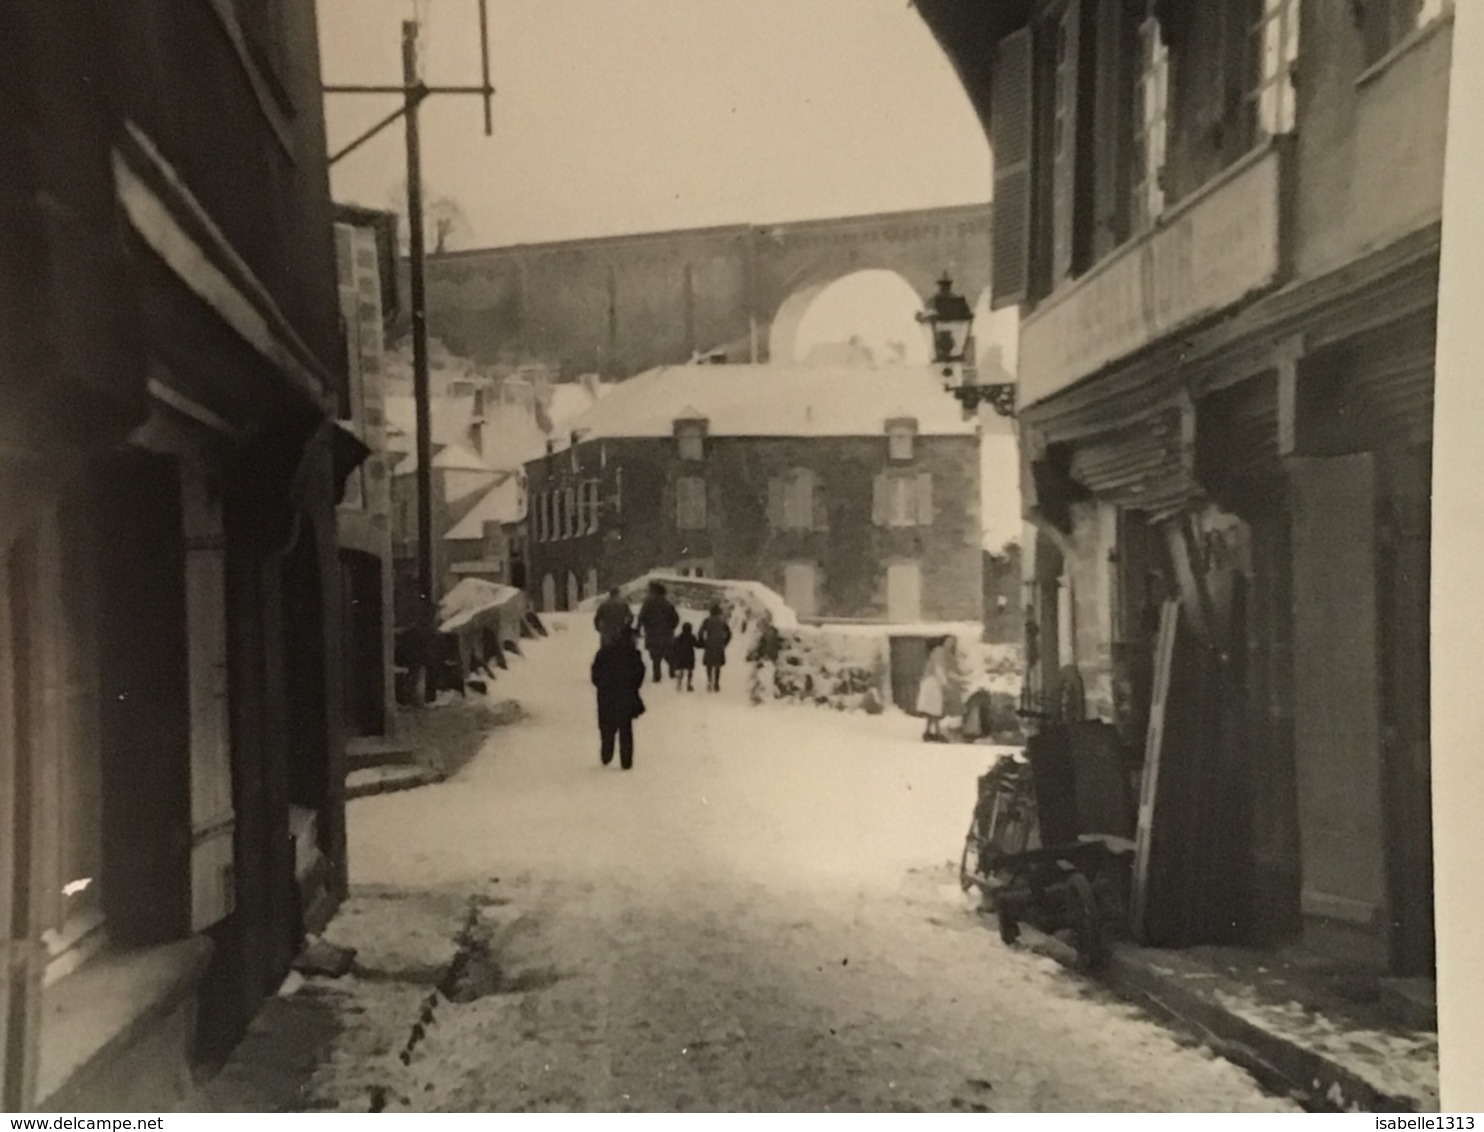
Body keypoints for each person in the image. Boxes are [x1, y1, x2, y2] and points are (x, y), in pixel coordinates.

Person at [591, 626, 647, 770]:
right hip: (626, 694)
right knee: (625, 728)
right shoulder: (633, 653)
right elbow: (639, 672)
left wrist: (601, 685)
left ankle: (606, 754)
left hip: (606, 694)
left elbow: (595, 672)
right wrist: (634, 686)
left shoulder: (604, 652)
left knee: (607, 725)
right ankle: (626, 761)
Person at [635, 581, 680, 683]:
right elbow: (675, 618)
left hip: (652, 633)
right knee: (668, 653)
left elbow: (641, 617)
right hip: (666, 633)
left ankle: (657, 675)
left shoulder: (648, 603)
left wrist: (638, 629)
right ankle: (672, 671)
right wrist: (671, 627)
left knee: (655, 655)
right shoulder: (667, 603)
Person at [916, 638, 950, 743]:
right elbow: (938, 669)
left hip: (929, 683)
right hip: (933, 684)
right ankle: (937, 732)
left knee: (931, 710)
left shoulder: (935, 652)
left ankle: (928, 731)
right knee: (935, 709)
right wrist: (945, 684)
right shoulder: (939, 651)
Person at [697, 603, 733, 692]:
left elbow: (700, 632)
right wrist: (725, 643)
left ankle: (709, 681)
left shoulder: (707, 621)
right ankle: (716, 683)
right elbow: (729, 634)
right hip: (719, 645)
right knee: (717, 666)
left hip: (709, 645)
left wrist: (703, 642)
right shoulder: (722, 622)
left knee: (709, 665)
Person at [670, 623, 698, 691]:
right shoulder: (691, 637)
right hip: (689, 656)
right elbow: (697, 644)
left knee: (681, 671)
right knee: (690, 671)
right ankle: (688, 684)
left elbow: (674, 646)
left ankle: (679, 684)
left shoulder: (679, 637)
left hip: (680, 656)